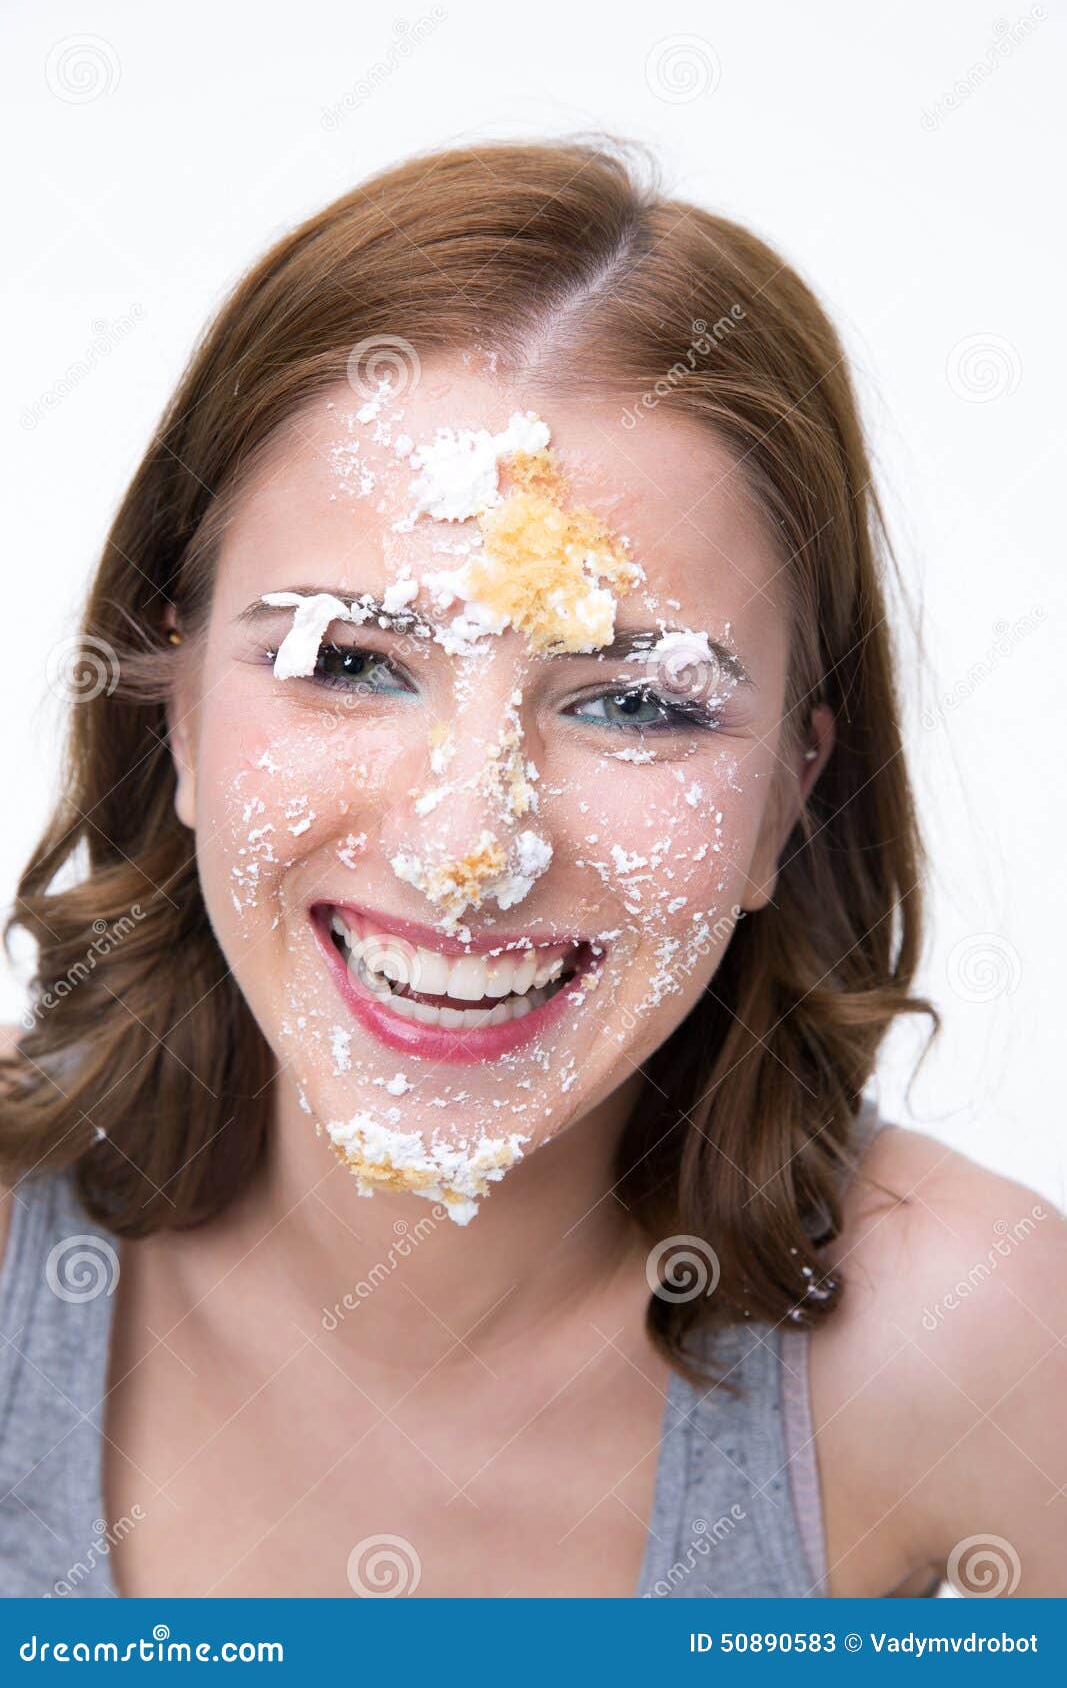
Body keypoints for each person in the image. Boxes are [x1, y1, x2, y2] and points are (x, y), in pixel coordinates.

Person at [1, 137, 1063, 1600]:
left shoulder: (978, 1339)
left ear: (788, 798)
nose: (466, 851)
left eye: (636, 703)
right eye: (352, 661)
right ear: (170, 703)